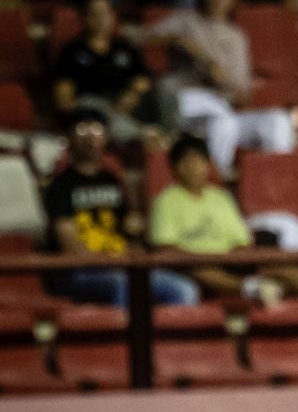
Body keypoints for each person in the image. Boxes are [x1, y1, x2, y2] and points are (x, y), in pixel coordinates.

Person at [147, 134, 298, 313]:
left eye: (200, 161)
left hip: (229, 261)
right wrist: (201, 257)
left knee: (277, 263)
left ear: (208, 165)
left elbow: (242, 241)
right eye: (188, 162)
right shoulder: (166, 201)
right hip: (195, 267)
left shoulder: (220, 197)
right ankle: (250, 288)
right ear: (175, 168)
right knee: (199, 268)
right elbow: (165, 248)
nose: (195, 167)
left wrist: (243, 258)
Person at [141, 0, 298, 175]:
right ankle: (217, 181)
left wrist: (218, 77)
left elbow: (243, 96)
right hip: (188, 104)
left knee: (279, 121)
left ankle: (281, 183)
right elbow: (140, 37)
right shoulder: (185, 21)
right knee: (223, 121)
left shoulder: (237, 37)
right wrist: (176, 39)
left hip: (224, 106)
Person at [43, 113, 197, 308]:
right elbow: (69, 245)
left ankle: (168, 338)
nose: (90, 137)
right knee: (123, 285)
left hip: (121, 266)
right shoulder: (61, 185)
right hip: (81, 273)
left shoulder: (112, 180)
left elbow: (129, 228)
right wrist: (110, 261)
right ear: (69, 138)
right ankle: (120, 338)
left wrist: (136, 232)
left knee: (184, 289)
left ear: (106, 138)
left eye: (97, 130)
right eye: (82, 130)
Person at [52, 0, 150, 143]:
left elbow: (144, 78)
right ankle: (139, 136)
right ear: (83, 17)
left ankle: (169, 137)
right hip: (93, 105)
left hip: (126, 101)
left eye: (105, 13)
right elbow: (64, 96)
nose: (100, 19)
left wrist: (133, 93)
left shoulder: (125, 47)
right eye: (94, 14)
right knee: (92, 109)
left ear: (113, 16)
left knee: (167, 87)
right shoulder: (71, 51)